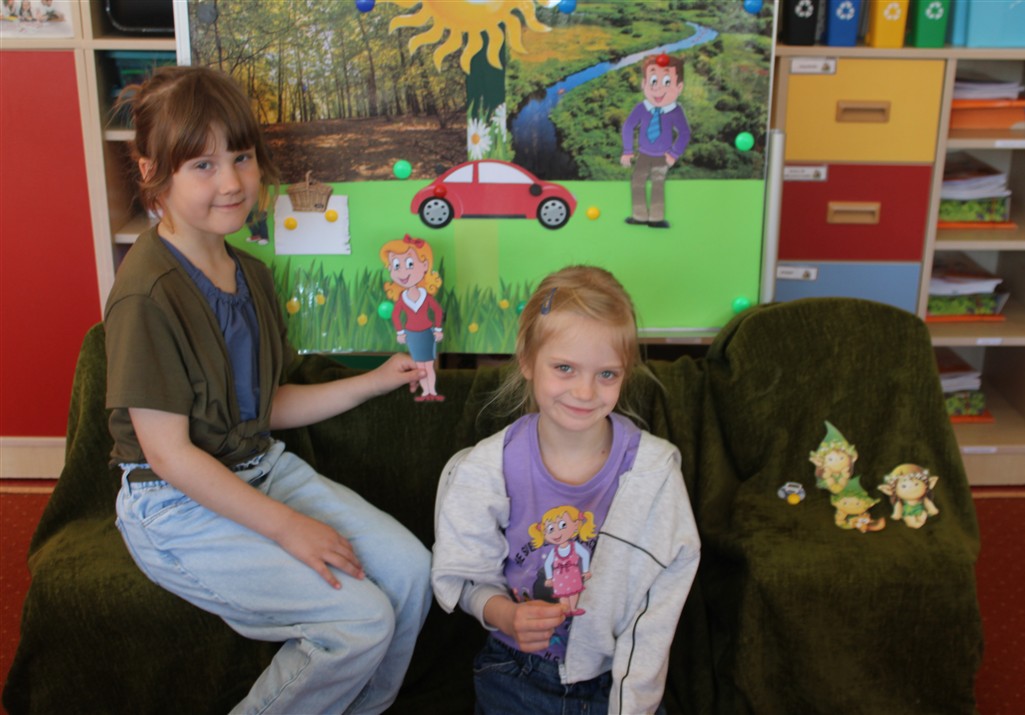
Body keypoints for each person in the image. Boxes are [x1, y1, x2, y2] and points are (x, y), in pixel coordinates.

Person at [105, 65, 432, 715]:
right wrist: (289, 528)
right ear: (152, 172)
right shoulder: (147, 293)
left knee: (410, 570)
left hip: (259, 466)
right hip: (172, 502)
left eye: (241, 158)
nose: (231, 182)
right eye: (202, 165)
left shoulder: (250, 274)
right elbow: (169, 454)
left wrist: (373, 381)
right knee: (360, 620)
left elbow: (264, 406)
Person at [431, 265, 701, 715]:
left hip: (616, 676)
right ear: (526, 361)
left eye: (607, 374)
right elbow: (465, 575)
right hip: (515, 671)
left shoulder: (652, 473)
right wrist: (506, 615)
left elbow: (657, 610)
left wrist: (632, 702)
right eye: (564, 368)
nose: (585, 391)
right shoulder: (486, 468)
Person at [620, 53, 691, 229]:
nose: (658, 89)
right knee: (637, 183)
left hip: (663, 156)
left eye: (666, 82)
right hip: (643, 154)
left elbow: (684, 133)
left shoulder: (676, 111)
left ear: (679, 86)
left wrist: (674, 154)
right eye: (653, 81)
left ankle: (656, 218)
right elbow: (628, 126)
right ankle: (639, 216)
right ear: (644, 84)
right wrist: (628, 150)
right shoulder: (641, 108)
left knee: (658, 185)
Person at [380, 234, 445, 401]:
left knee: (428, 365)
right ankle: (425, 392)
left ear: (425, 265)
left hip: (427, 333)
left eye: (409, 264)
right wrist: (400, 332)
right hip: (412, 334)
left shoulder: (426, 296)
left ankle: (431, 392)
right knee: (419, 367)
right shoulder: (402, 299)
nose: (402, 271)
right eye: (396, 265)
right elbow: (396, 315)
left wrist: (438, 329)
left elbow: (438, 311)